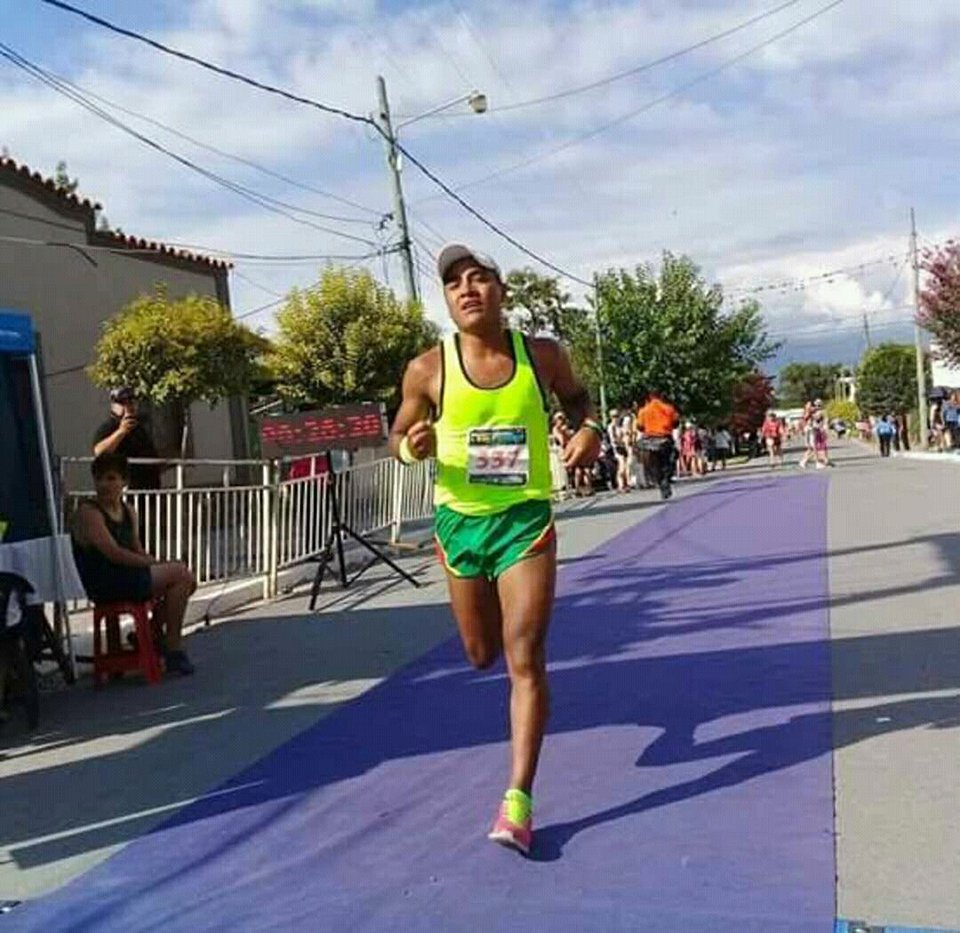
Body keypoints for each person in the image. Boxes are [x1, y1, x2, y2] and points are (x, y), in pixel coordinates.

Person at [388, 243, 601, 855]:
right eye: (454, 284)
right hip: (460, 526)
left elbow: (578, 400)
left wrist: (587, 431)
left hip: (524, 522)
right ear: (447, 302)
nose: (467, 289)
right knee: (480, 654)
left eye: (478, 278)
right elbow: (398, 433)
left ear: (502, 291)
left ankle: (518, 803)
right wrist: (413, 448)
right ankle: (518, 785)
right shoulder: (428, 369)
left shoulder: (542, 356)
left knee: (523, 657)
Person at [71, 452, 197, 675]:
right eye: (100, 478)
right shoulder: (89, 512)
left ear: (123, 482)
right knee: (180, 574)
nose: (105, 485)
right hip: (107, 579)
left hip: (129, 573)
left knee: (187, 579)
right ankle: (172, 646)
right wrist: (150, 564)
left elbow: (135, 547)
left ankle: (152, 632)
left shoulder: (128, 511)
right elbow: (113, 553)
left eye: (111, 478)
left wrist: (157, 562)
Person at [92, 387, 162, 491]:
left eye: (132, 402)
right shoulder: (110, 427)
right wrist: (121, 432)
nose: (129, 407)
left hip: (149, 492)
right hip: (126, 492)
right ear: (113, 405)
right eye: (123, 403)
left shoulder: (140, 429)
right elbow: (99, 451)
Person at [636, 389, 679, 499]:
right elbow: (675, 423)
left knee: (654, 465)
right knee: (667, 462)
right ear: (661, 396)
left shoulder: (643, 411)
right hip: (664, 438)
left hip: (649, 440)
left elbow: (640, 427)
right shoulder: (668, 408)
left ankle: (660, 482)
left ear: (650, 397)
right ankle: (665, 481)